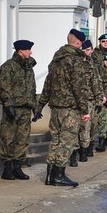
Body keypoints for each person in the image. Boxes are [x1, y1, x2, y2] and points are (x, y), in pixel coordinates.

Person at [34, 29, 90, 187]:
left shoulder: (56, 58)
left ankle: (50, 175)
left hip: (56, 108)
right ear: (78, 42)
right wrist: (85, 110)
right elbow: (79, 87)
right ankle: (59, 175)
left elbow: (48, 84)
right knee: (67, 142)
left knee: (56, 141)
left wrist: (40, 105)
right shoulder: (75, 60)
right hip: (70, 109)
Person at [0, 39, 37, 180]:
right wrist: (8, 105)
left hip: (26, 108)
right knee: (8, 137)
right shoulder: (8, 66)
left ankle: (17, 167)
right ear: (21, 50)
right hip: (13, 108)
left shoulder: (29, 68)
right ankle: (7, 168)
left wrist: (35, 107)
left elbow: (32, 89)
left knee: (22, 139)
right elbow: (4, 87)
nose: (31, 52)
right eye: (29, 50)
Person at [79, 39, 104, 161]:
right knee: (85, 126)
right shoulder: (78, 63)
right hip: (83, 99)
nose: (86, 52)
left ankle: (89, 146)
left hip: (93, 99)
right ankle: (82, 151)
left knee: (93, 125)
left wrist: (99, 99)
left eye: (88, 50)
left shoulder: (94, 64)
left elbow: (97, 82)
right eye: (84, 50)